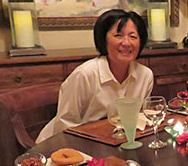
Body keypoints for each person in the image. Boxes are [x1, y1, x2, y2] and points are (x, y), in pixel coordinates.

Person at [37, 9, 153, 142]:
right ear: (103, 39)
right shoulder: (85, 75)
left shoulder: (145, 75)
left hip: (115, 142)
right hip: (65, 144)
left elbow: (139, 119)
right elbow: (65, 123)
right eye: (118, 36)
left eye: (133, 36)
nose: (126, 43)